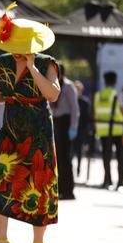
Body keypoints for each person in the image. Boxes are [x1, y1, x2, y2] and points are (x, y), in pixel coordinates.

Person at [0, 3, 60, 243]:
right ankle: (1, 241)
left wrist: (32, 67)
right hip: (10, 130)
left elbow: (52, 94)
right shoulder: (3, 63)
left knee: (38, 187)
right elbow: (1, 97)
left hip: (39, 132)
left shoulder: (47, 63)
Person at [50, 63, 79, 200]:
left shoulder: (68, 86)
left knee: (65, 158)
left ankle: (69, 190)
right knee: (56, 158)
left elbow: (74, 108)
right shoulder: (52, 84)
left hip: (65, 122)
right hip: (55, 121)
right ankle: (59, 189)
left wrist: (73, 127)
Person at [94, 71, 123, 189]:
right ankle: (120, 181)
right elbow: (122, 111)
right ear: (115, 81)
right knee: (120, 156)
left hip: (103, 130)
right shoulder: (116, 94)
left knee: (106, 156)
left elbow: (95, 113)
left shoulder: (98, 95)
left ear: (105, 81)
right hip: (117, 129)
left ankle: (107, 180)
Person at [73, 80, 92, 179]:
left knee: (79, 151)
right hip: (71, 129)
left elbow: (88, 117)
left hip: (81, 130)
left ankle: (79, 168)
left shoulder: (84, 102)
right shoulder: (71, 100)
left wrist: (87, 130)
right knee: (71, 152)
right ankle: (71, 171)